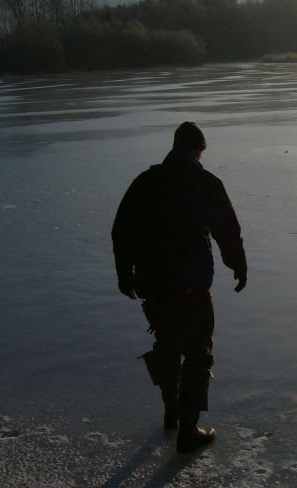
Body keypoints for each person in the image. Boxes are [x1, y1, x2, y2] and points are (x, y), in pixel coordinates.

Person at [111, 121, 247, 453]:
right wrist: (238, 265)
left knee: (167, 345)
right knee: (198, 353)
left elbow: (121, 231)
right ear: (197, 150)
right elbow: (227, 230)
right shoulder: (205, 183)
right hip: (191, 288)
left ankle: (171, 412)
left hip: (154, 288)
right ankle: (188, 431)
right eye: (201, 150)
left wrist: (124, 275)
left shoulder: (146, 181)